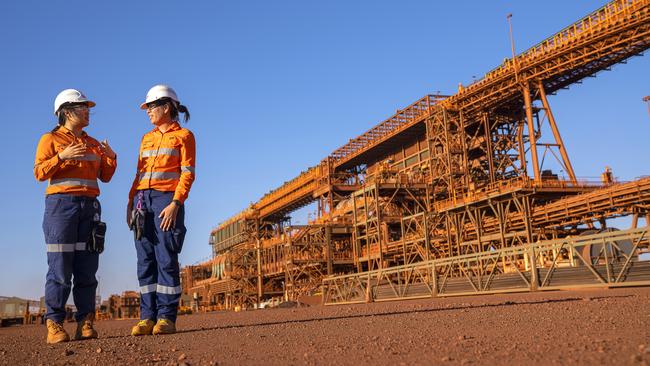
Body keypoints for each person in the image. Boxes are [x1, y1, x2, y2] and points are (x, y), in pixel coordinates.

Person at [34, 89, 117, 344]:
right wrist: (62, 156)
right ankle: (55, 324)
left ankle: (85, 321)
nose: (87, 111)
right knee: (59, 266)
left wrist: (110, 156)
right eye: (83, 107)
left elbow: (105, 176)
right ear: (66, 112)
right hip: (61, 207)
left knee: (87, 267)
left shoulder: (93, 143)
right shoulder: (50, 139)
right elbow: (39, 172)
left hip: (89, 206)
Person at [128, 85, 195, 336]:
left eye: (151, 107)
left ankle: (166, 317)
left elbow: (188, 175)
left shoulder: (184, 136)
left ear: (166, 107)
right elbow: (139, 174)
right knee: (144, 260)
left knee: (166, 258)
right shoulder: (147, 138)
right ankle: (147, 317)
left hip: (166, 201)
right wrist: (130, 202)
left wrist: (175, 204)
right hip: (142, 201)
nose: (148, 112)